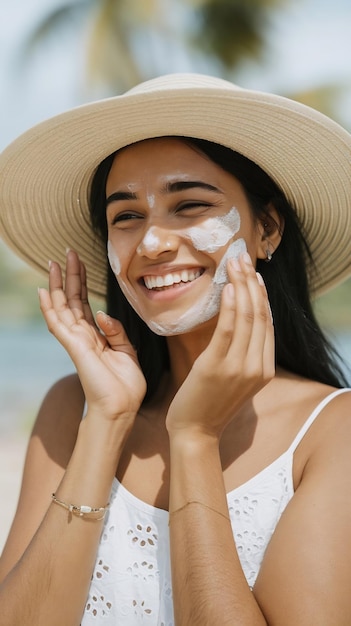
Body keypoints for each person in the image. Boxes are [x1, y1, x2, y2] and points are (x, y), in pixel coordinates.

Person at [0, 73, 350, 626]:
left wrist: (194, 440)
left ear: (269, 229)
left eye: (189, 205)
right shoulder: (74, 409)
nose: (153, 243)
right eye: (127, 217)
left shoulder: (333, 433)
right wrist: (106, 421)